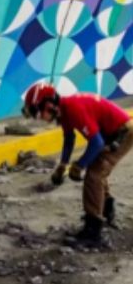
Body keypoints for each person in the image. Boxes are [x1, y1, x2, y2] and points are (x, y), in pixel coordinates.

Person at [22, 83, 133, 248]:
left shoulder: (73, 109)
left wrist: (79, 165)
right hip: (112, 132)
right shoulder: (65, 110)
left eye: (38, 113)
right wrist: (62, 165)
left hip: (122, 133)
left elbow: (96, 143)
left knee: (94, 175)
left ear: (49, 104)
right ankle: (106, 208)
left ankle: (93, 231)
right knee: (96, 168)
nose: (40, 118)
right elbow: (69, 140)